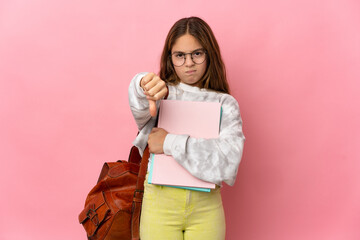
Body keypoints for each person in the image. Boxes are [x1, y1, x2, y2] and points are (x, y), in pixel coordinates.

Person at [128, 16, 245, 240]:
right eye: (180, 56)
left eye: (197, 54)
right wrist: (143, 82)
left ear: (209, 54)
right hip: (159, 204)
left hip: (207, 208)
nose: (189, 63)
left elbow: (228, 163)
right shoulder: (161, 94)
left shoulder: (226, 104)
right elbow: (139, 101)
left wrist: (169, 142)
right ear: (170, 58)